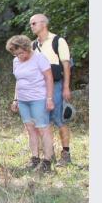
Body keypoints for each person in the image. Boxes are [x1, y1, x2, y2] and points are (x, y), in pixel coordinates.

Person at [6, 35, 56, 172]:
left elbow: (49, 78)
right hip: (23, 99)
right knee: (30, 129)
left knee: (42, 129)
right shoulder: (16, 61)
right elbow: (18, 81)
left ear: (27, 47)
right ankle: (35, 159)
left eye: (21, 53)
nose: (19, 56)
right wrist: (15, 99)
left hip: (38, 98)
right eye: (16, 54)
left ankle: (47, 162)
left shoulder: (39, 58)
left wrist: (50, 98)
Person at [29, 14, 74, 165]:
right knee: (42, 121)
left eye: (34, 23)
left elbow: (66, 65)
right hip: (39, 86)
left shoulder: (58, 41)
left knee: (59, 118)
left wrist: (66, 87)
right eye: (31, 24)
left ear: (44, 24)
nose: (32, 26)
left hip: (56, 84)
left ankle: (66, 154)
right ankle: (49, 154)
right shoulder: (33, 45)